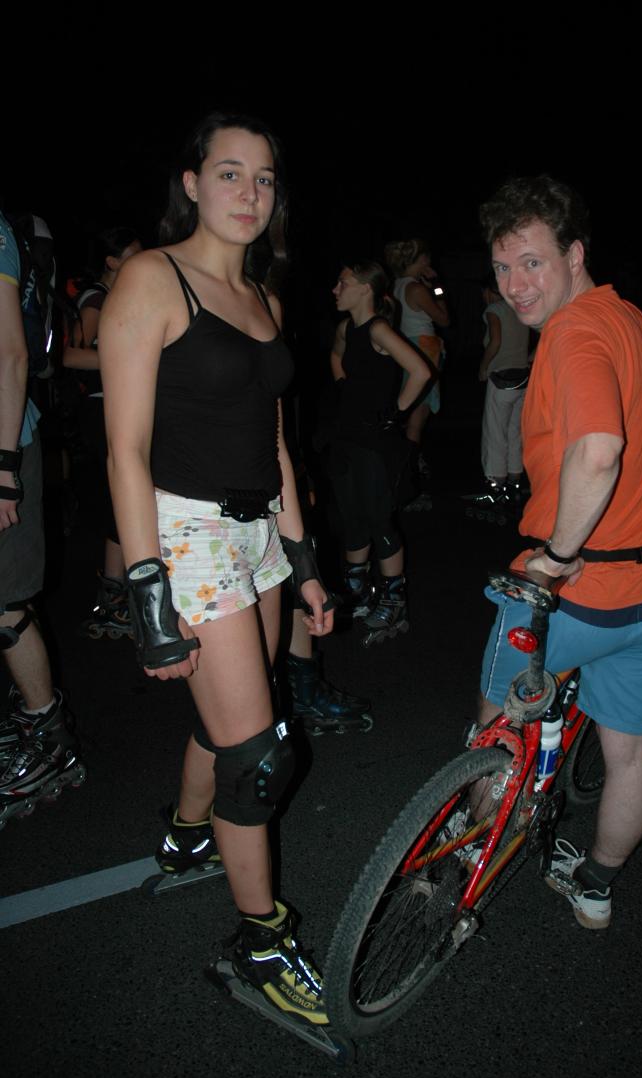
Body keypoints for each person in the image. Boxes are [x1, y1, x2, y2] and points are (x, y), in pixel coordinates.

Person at [99, 112, 333, 1024]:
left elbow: (273, 441)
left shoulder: (259, 293)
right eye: (229, 173)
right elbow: (124, 449)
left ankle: (188, 834)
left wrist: (302, 559)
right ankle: (260, 939)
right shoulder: (152, 277)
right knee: (258, 755)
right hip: (187, 532)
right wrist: (146, 594)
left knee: (238, 710)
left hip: (256, 532)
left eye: (264, 178)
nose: (250, 193)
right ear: (192, 182)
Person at [476, 176, 642, 929]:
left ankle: (465, 860)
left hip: (579, 591)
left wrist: (555, 556)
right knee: (629, 751)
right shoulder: (633, 321)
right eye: (502, 267)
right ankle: (594, 885)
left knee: (495, 730)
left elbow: (599, 451)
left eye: (531, 262)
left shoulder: (573, 332)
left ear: (574, 255)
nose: (515, 284)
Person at [0, 209, 81, 817]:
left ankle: (50, 740)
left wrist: (4, 469)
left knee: (5, 604)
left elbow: (11, 355)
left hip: (4, 445)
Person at [329, 261, 430, 644]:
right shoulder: (346, 328)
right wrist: (343, 385)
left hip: (375, 442)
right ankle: (358, 594)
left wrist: (395, 412)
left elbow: (421, 371)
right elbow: (336, 355)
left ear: (365, 288)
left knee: (379, 520)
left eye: (343, 282)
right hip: (347, 437)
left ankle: (393, 601)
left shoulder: (378, 329)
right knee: (352, 518)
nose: (335, 289)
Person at [64, 226, 143, 638]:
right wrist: (129, 358)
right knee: (123, 498)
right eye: (133, 252)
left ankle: (115, 596)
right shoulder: (97, 296)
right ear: (112, 261)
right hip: (102, 408)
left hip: (116, 406)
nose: (142, 258)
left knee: (125, 498)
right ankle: (113, 600)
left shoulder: (118, 294)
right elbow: (71, 354)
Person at [384, 239, 448, 503]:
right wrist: (438, 288)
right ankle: (408, 479)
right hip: (424, 350)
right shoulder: (417, 288)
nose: (429, 261)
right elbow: (444, 318)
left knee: (406, 411)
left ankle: (406, 471)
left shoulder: (395, 286)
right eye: (425, 257)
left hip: (404, 349)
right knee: (417, 418)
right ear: (417, 260)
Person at [474, 283, 530, 518]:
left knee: (495, 433)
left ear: (488, 291)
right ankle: (514, 485)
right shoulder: (520, 307)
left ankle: (495, 489)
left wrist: (483, 366)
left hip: (501, 379)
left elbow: (495, 341)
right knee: (515, 432)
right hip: (523, 378)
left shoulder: (494, 309)